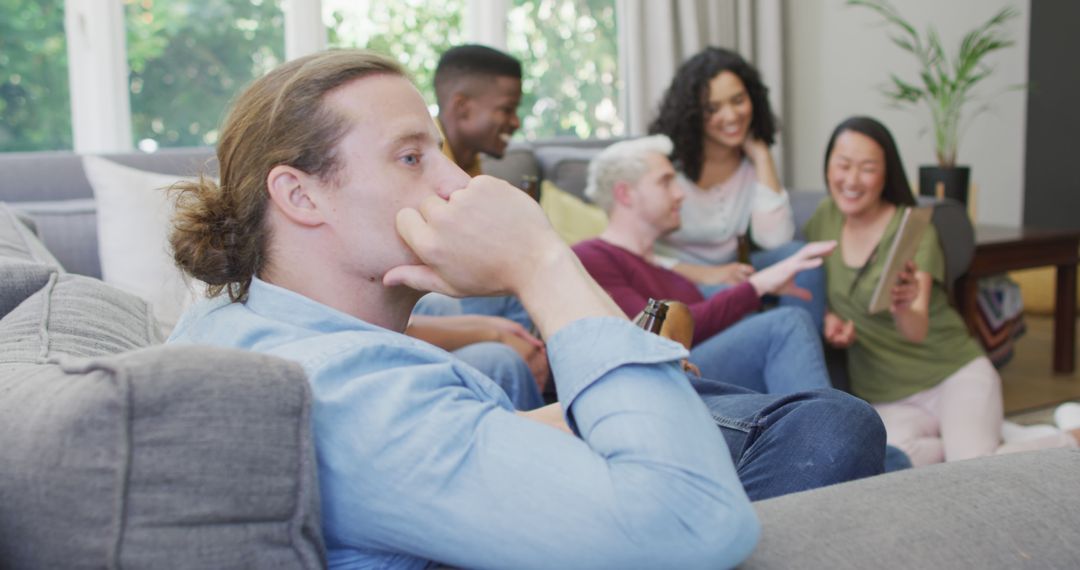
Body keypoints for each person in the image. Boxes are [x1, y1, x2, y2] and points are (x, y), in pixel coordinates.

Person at [165, 49, 885, 568]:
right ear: (299, 195)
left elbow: (444, 436)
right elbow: (694, 524)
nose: (458, 183)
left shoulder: (233, 318)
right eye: (412, 157)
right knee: (837, 425)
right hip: (658, 529)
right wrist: (540, 259)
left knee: (844, 433)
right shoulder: (357, 399)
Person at [805, 116, 1080, 467]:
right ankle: (991, 434)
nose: (851, 180)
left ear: (886, 174)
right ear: (828, 165)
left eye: (867, 168)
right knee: (883, 461)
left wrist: (903, 305)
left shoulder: (912, 230)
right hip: (887, 399)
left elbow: (916, 328)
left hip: (952, 374)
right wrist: (830, 319)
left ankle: (1069, 439)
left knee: (974, 468)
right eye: (842, 165)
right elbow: (815, 284)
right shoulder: (824, 219)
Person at [575, 134, 835, 395]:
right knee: (787, 324)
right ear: (625, 194)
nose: (679, 194)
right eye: (665, 182)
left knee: (788, 319)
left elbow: (709, 320)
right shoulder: (592, 256)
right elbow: (653, 334)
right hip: (660, 381)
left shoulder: (668, 272)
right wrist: (757, 285)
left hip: (698, 371)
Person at [648, 47, 825, 330]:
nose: (730, 116)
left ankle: (805, 346)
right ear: (693, 114)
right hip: (674, 280)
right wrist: (708, 274)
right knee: (736, 304)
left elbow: (776, 242)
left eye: (738, 100)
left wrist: (762, 154)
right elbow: (630, 251)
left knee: (802, 261)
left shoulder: (752, 164)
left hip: (735, 273)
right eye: (712, 108)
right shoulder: (664, 163)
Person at [412, 43, 535, 331]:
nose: (515, 122)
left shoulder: (471, 165)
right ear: (462, 108)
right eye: (507, 109)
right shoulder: (421, 160)